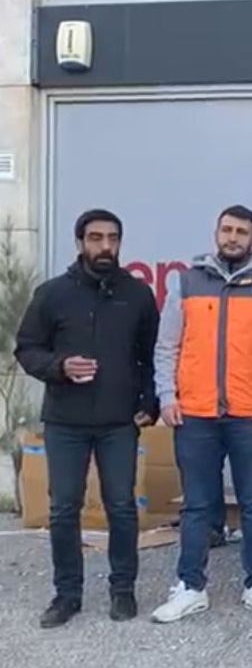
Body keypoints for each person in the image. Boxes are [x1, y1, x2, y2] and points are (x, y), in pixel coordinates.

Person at [15, 209, 159, 628]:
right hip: (66, 420)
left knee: (122, 506)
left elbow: (151, 357)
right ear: (80, 243)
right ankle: (67, 595)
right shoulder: (52, 294)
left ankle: (123, 590)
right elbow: (27, 349)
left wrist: (149, 401)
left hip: (119, 421)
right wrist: (59, 366)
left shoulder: (138, 294)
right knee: (64, 509)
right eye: (96, 238)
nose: (105, 246)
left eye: (113, 238)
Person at [151, 205, 252, 623]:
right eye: (227, 229)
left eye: (241, 232)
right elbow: (167, 345)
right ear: (217, 233)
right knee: (197, 506)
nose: (233, 237)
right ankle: (191, 586)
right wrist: (166, 396)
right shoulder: (186, 282)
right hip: (195, 413)